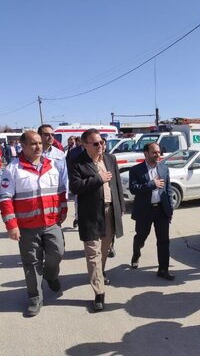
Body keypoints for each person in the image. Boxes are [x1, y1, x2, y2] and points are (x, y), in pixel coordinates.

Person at [0, 131, 67, 317]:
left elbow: (61, 191)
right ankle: (35, 298)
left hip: (52, 222)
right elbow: (5, 199)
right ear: (23, 146)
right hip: (27, 226)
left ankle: (51, 275)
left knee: (58, 253)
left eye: (39, 143)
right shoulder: (13, 169)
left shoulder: (52, 165)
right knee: (31, 263)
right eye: (33, 144)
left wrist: (63, 210)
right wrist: (11, 225)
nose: (38, 147)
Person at [69, 129, 125, 311]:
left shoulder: (110, 159)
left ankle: (99, 274)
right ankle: (99, 292)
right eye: (95, 143)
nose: (100, 146)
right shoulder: (77, 162)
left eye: (102, 142)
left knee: (105, 248)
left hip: (109, 211)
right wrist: (98, 179)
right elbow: (76, 187)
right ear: (84, 144)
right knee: (93, 254)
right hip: (91, 215)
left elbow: (116, 183)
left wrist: (120, 207)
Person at [129, 142, 174, 281]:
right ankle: (136, 254)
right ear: (146, 153)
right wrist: (151, 184)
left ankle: (163, 269)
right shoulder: (136, 170)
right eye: (154, 152)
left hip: (161, 210)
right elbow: (133, 189)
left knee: (163, 241)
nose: (158, 155)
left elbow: (168, 190)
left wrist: (170, 210)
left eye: (159, 152)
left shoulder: (164, 168)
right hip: (144, 211)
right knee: (141, 237)